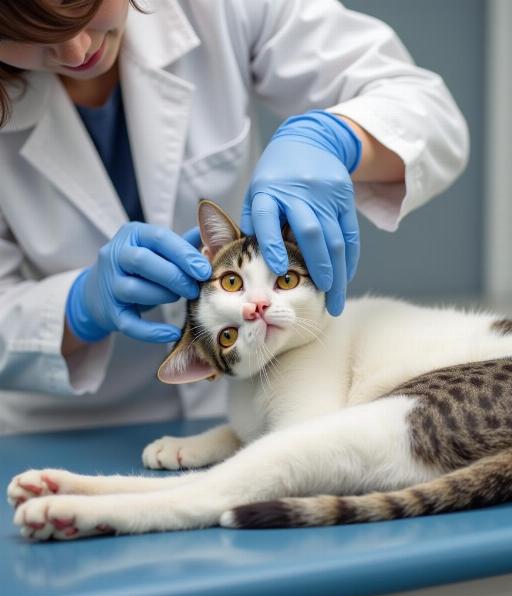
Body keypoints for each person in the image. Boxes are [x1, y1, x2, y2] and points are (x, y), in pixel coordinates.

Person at [0, 0, 468, 434]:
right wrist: (78, 308)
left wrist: (333, 137)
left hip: (255, 408)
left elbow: (426, 110)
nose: (75, 49)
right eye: (23, 32)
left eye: (80, 5)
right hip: (67, 429)